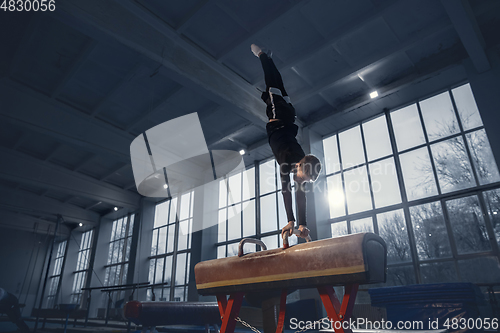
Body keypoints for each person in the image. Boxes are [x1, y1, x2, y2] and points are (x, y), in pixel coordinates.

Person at [251, 44, 322, 240]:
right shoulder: (287, 163)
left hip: (290, 116)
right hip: (279, 117)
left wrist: (303, 224)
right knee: (272, 81)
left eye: (305, 181)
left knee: (278, 84)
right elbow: (286, 191)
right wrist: (291, 220)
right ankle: (262, 55)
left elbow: (301, 197)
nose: (302, 181)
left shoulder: (301, 167)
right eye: (303, 178)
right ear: (300, 166)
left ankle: (270, 61)